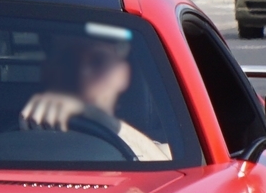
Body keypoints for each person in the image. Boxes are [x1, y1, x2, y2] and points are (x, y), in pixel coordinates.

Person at [20, 31, 171, 161]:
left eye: (98, 61)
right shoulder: (9, 146)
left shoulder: (167, 147)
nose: (80, 75)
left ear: (122, 74)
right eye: (68, 59)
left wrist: (101, 120)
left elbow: (171, 177)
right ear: (48, 69)